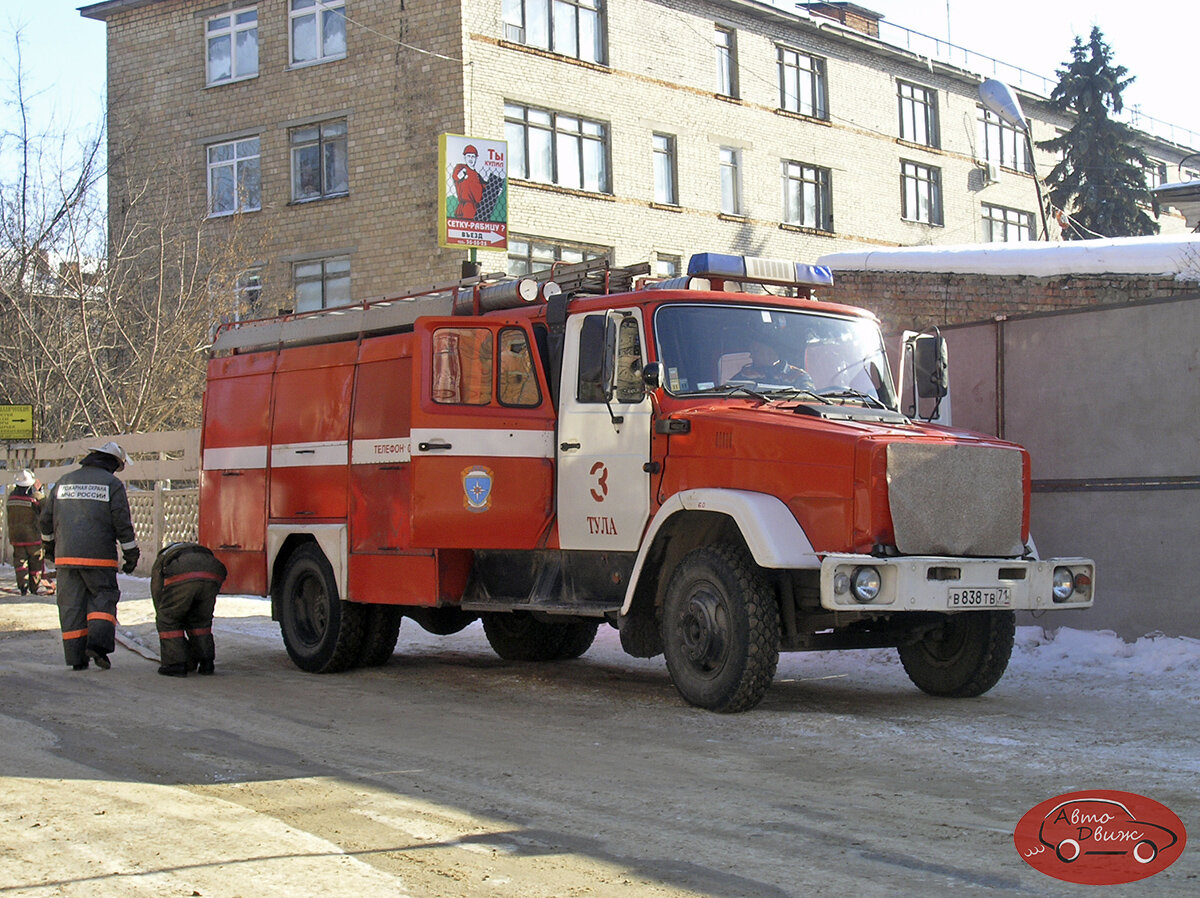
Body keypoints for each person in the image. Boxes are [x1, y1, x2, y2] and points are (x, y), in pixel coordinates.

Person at [39, 441, 139, 671]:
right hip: (99, 559)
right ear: (112, 463)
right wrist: (131, 553)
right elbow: (122, 523)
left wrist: (50, 546)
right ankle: (98, 646)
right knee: (103, 598)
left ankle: (76, 658)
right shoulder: (112, 484)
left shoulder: (64, 482)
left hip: (66, 559)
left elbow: (45, 520)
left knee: (71, 606)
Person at [150, 542, 227, 677]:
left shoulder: (161, 560)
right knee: (200, 621)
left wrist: (164, 614)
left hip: (182, 571)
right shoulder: (192, 550)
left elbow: (158, 594)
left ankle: (176, 664)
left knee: (168, 619)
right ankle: (206, 662)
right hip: (214, 570)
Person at [6, 469, 46, 596]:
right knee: (35, 563)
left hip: (16, 537)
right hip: (32, 537)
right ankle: (34, 588)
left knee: (20, 563)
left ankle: (23, 587)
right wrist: (40, 492)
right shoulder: (34, 498)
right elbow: (45, 509)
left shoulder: (11, 498)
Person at [737, 334, 815, 390]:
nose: (751, 356)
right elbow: (728, 392)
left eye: (756, 351)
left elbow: (808, 400)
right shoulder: (746, 375)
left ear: (772, 354)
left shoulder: (798, 376)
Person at [452, 145, 484, 220]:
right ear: (465, 157)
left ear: (476, 158)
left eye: (473, 156)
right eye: (468, 156)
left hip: (478, 209)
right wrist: (461, 174)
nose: (471, 159)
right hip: (466, 207)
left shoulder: (477, 176)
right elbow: (456, 176)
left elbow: (485, 189)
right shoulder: (461, 167)